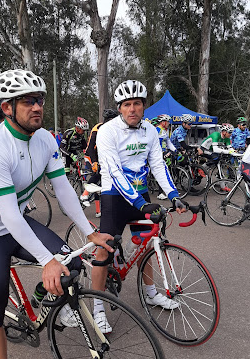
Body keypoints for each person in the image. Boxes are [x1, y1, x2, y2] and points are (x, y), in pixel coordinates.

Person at [0, 69, 112, 359]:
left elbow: (63, 190)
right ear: (6, 108)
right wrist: (47, 261)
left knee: (72, 261)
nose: (37, 107)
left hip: (17, 222)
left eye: (39, 100)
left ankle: (41, 302)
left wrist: (88, 231)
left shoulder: (44, 139)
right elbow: (10, 216)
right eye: (27, 101)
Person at [92, 79, 187, 333]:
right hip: (114, 196)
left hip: (140, 194)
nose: (132, 109)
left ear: (144, 107)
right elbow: (112, 171)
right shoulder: (107, 131)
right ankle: (98, 308)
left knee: (146, 242)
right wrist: (140, 204)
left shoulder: (151, 131)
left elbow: (158, 165)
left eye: (137, 104)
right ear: (120, 108)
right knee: (104, 250)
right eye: (127, 105)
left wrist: (173, 195)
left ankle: (150, 292)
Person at [80, 108, 118, 216]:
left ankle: (98, 211)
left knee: (102, 183)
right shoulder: (98, 128)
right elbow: (91, 148)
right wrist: (94, 163)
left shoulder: (113, 128)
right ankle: (85, 194)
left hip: (102, 155)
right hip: (91, 155)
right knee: (98, 175)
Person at [154, 114, 177, 200]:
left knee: (167, 171)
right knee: (161, 171)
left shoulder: (164, 131)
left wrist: (175, 150)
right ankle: (159, 193)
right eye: (167, 121)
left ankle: (169, 190)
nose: (168, 123)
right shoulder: (156, 130)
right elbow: (154, 144)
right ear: (163, 122)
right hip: (157, 153)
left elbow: (168, 142)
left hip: (164, 152)